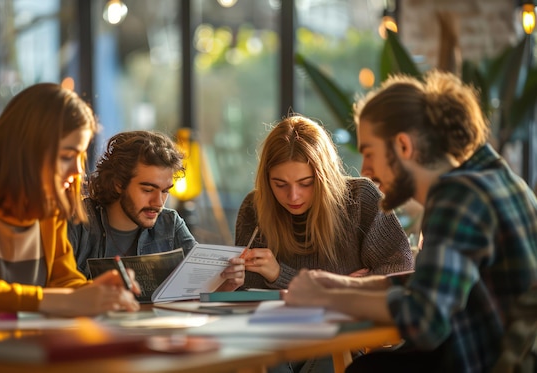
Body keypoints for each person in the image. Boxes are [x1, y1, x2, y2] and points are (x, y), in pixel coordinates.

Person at [283, 70, 537, 372]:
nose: (366, 170)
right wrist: (342, 285)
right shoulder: (494, 177)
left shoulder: (457, 197)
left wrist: (325, 298)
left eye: (369, 153)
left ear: (403, 146)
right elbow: (431, 283)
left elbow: (424, 319)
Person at [0, 83, 140, 317]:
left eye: (81, 156)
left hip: (18, 349)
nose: (78, 170)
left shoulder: (49, 210)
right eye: (66, 156)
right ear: (25, 150)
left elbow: (64, 283)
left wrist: (99, 292)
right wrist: (65, 301)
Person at [235, 114, 413, 373]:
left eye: (306, 183)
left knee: (327, 349)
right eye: (279, 184)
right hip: (277, 337)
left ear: (325, 176)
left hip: (343, 339)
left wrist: (282, 276)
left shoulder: (359, 199)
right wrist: (346, 283)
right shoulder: (255, 208)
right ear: (266, 180)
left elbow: (399, 273)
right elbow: (246, 297)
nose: (293, 196)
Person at [69, 130, 245, 291]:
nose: (158, 202)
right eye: (147, 190)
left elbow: (196, 290)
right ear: (118, 184)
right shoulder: (78, 222)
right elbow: (59, 289)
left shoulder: (170, 224)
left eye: (165, 191)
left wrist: (223, 284)